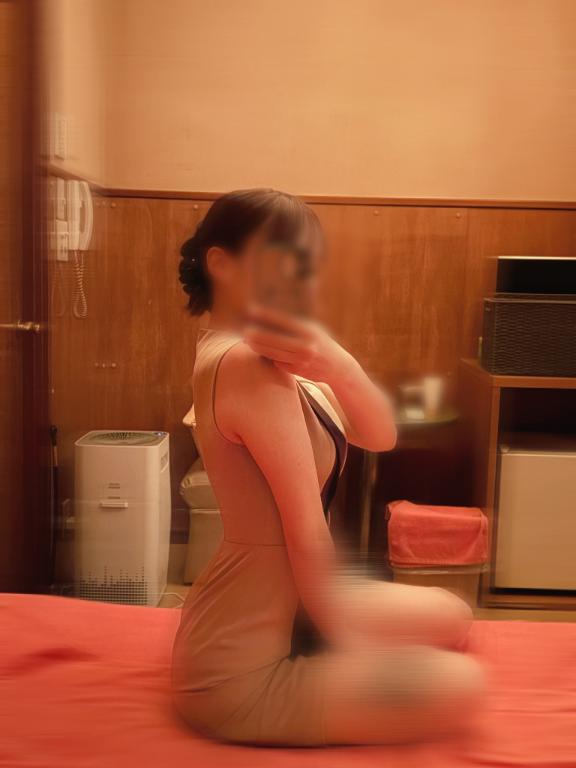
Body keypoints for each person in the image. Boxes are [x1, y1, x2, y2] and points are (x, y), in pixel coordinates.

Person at [172, 189, 483, 746]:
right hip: (242, 670)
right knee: (463, 686)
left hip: (296, 610)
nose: (302, 278)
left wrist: (337, 363)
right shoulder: (245, 365)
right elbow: (305, 529)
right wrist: (356, 645)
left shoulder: (271, 354)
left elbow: (380, 435)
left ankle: (327, 641)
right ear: (221, 263)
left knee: (453, 615)